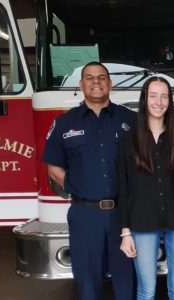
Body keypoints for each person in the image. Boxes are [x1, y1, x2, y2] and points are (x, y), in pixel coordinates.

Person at [42, 61, 136, 300]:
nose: (96, 82)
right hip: (85, 215)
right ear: (82, 84)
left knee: (127, 282)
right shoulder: (65, 123)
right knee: (88, 283)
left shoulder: (131, 120)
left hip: (124, 215)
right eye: (90, 77)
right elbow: (54, 167)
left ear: (110, 84)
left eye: (102, 77)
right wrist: (78, 188)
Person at [118, 76, 174, 300]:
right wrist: (125, 232)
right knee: (147, 289)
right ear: (144, 99)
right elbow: (123, 188)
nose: (158, 101)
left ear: (170, 101)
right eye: (153, 96)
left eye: (164, 96)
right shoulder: (129, 140)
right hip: (141, 223)